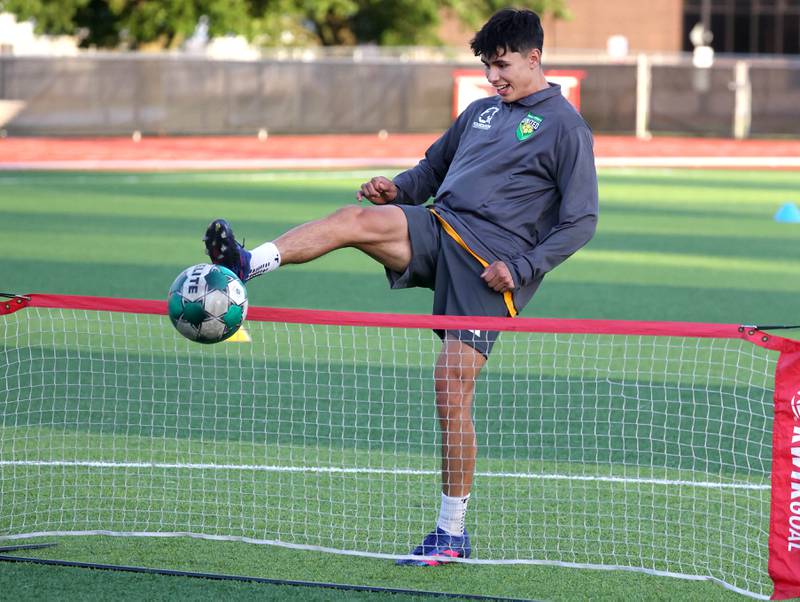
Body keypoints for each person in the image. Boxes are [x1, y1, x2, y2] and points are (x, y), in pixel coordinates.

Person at [203, 7, 598, 566]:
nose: (494, 79)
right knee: (354, 218)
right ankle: (247, 264)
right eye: (488, 68)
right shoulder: (481, 112)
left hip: (492, 267)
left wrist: (525, 267)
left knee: (449, 393)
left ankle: (452, 534)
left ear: (535, 58)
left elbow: (581, 220)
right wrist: (396, 188)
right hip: (439, 227)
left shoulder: (567, 127)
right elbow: (428, 174)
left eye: (503, 66)